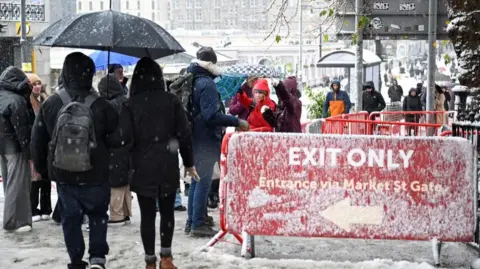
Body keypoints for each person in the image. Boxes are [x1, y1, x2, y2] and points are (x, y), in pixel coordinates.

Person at [31, 52, 120, 269]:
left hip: (63, 173)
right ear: (90, 74)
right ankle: (97, 258)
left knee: (71, 220)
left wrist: (44, 169)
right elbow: (119, 139)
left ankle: (76, 260)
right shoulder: (101, 105)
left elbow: (37, 139)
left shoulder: (51, 103)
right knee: (98, 215)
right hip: (96, 172)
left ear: (65, 72)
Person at [120, 57, 199, 269]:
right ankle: (166, 257)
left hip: (141, 166)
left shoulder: (129, 104)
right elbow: (184, 135)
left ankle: (149, 261)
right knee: (167, 212)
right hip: (167, 164)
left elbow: (124, 140)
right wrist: (189, 163)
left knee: (147, 215)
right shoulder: (171, 101)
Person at [186, 47, 249, 237]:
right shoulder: (207, 84)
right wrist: (235, 121)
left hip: (195, 137)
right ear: (211, 65)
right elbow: (210, 115)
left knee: (196, 181)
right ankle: (197, 223)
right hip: (205, 139)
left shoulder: (194, 80)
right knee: (203, 182)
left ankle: (193, 221)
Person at [0, 66, 35, 233]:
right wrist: (29, 152)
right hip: (14, 146)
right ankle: (15, 221)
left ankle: (12, 217)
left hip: (2, 147)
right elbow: (23, 130)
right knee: (18, 184)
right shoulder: (17, 101)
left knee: (8, 183)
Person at [98, 74, 132, 226]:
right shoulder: (126, 101)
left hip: (113, 147)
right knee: (124, 181)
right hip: (128, 146)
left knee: (115, 182)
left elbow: (104, 128)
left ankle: (116, 215)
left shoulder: (108, 106)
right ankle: (125, 212)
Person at [27, 73, 52, 223]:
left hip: (46, 143)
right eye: (33, 84)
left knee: (46, 177)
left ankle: (46, 208)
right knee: (35, 178)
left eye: (38, 83)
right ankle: (33, 208)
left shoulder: (46, 99)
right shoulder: (27, 102)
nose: (37, 86)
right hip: (35, 143)